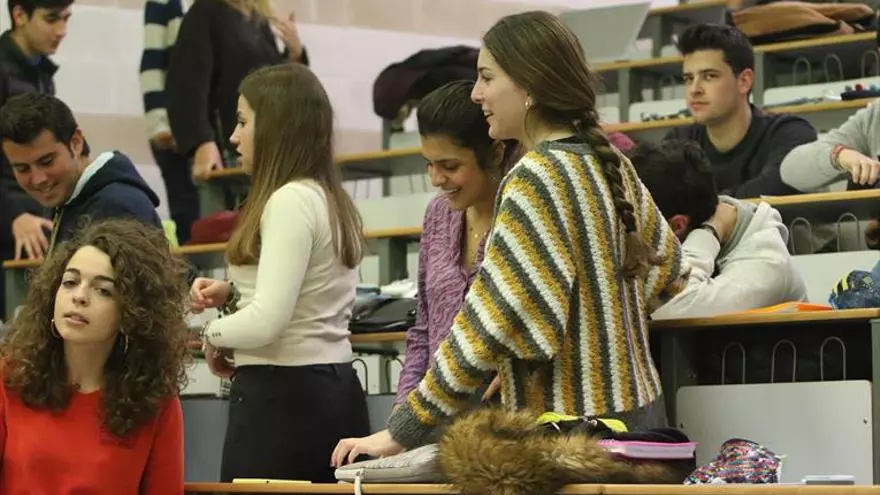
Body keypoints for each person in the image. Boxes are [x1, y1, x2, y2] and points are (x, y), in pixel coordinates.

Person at [331, 10, 688, 465]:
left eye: (486, 77)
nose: (476, 93)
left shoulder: (534, 177)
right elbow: (669, 273)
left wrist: (402, 430)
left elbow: (485, 326)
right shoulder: (610, 163)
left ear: (529, 85)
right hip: (638, 419)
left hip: (570, 435)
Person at [191, 63, 369, 483]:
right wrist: (234, 292)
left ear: (276, 126)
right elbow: (306, 294)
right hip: (329, 391)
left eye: (242, 122)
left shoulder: (290, 201)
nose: (233, 137)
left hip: (284, 403)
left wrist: (210, 335)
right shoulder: (327, 197)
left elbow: (268, 322)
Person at [0, 218, 190, 493]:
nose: (79, 296)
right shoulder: (10, 378)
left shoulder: (155, 402)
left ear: (132, 313)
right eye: (70, 282)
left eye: (102, 290)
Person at [394, 80, 515, 407]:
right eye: (428, 164)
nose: (435, 179)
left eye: (450, 166)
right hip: (438, 413)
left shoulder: (520, 212)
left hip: (510, 418)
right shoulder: (438, 213)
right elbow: (423, 330)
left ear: (495, 153)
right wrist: (403, 412)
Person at [630, 139, 807, 319]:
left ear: (677, 226)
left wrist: (709, 232)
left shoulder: (769, 264)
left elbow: (673, 306)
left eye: (632, 225)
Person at [666, 23, 816, 198]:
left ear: (744, 81)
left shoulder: (790, 133)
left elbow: (775, 188)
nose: (694, 89)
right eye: (689, 78)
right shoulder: (677, 143)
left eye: (709, 76)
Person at [0, 92, 162, 254]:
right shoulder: (68, 201)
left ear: (76, 143)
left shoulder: (119, 208)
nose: (38, 179)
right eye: (22, 169)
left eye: (47, 161)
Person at [167, 0, 307, 182]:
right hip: (229, 151)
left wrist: (294, 55)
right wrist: (202, 142)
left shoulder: (257, 20)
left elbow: (272, 83)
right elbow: (187, 84)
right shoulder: (205, 12)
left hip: (266, 150)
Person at [0, 0, 72, 317]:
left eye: (66, 19)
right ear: (19, 15)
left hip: (34, 220)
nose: (62, 30)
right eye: (52, 19)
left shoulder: (42, 73)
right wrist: (14, 215)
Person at [140, 0, 198, 244]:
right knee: (189, 221)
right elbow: (151, 61)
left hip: (198, 130)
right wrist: (160, 124)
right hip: (175, 133)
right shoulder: (164, 3)